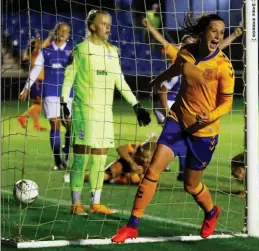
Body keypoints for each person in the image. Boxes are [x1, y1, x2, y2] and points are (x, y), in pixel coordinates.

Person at [112, 13, 235, 243]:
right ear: (204, 33)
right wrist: (158, 79)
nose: (219, 36)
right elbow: (178, 68)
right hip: (177, 120)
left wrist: (210, 115)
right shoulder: (187, 52)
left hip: (203, 132)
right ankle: (132, 226)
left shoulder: (223, 67)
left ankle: (211, 212)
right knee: (152, 172)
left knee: (191, 185)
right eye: (214, 31)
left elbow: (227, 102)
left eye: (222, 32)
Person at [61, 9, 151, 216]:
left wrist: (136, 105)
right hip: (84, 111)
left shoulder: (112, 51)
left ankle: (96, 202)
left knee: (101, 158)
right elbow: (68, 79)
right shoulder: (80, 50)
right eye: (103, 23)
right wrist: (64, 104)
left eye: (109, 23)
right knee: (82, 157)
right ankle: (76, 203)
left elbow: (119, 80)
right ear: (93, 26)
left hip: (104, 114)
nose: (108, 27)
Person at [142, 17, 243, 179]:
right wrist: (166, 109)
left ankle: (177, 168)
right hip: (170, 104)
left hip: (183, 103)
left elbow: (216, 50)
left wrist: (234, 35)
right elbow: (162, 89)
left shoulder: (205, 60)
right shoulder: (181, 57)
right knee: (175, 137)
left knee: (179, 139)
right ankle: (166, 164)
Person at [19, 23, 73, 170]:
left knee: (70, 125)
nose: (63, 34)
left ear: (68, 35)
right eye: (60, 31)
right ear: (55, 33)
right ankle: (57, 160)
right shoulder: (46, 51)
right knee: (55, 124)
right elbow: (36, 69)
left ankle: (66, 151)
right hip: (51, 93)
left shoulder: (72, 50)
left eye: (66, 32)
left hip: (69, 93)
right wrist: (25, 89)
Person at [18, 35, 49, 132]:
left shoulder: (32, 53)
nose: (39, 44)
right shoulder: (35, 53)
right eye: (37, 44)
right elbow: (44, 44)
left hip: (38, 81)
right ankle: (23, 116)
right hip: (37, 81)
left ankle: (36, 125)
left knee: (37, 104)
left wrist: (39, 41)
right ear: (34, 47)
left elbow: (44, 44)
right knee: (39, 104)